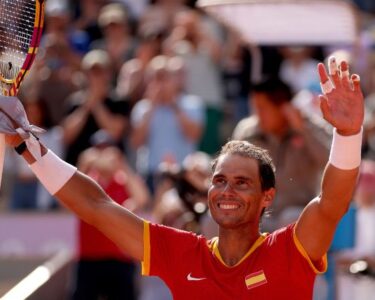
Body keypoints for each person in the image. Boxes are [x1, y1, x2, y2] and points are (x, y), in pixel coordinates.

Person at [1, 58, 364, 299]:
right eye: (219, 180)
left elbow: (332, 202)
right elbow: (96, 205)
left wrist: (348, 134)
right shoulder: (182, 254)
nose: (226, 190)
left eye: (241, 182)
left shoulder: (290, 251)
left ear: (268, 196)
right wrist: (27, 148)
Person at [232, 76, 331, 231]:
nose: (257, 115)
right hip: (258, 213)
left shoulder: (311, 127)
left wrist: (302, 130)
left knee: (289, 218)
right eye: (255, 108)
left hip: (298, 213)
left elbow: (330, 163)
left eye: (262, 108)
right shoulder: (248, 131)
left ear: (283, 108)